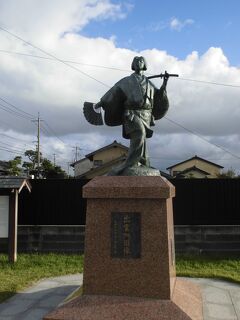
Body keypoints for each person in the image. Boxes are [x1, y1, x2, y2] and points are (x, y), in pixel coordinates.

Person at [95, 56, 169, 175]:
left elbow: (158, 95)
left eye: (141, 61)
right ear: (133, 65)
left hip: (146, 114)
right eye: (136, 61)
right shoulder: (126, 81)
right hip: (131, 113)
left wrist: (164, 83)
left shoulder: (148, 82)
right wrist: (101, 102)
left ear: (144, 64)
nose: (139, 63)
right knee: (140, 133)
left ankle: (143, 162)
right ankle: (129, 164)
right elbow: (113, 91)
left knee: (142, 140)